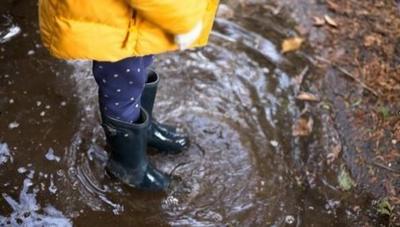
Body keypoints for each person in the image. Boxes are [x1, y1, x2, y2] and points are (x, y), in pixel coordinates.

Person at [38, 0, 219, 191]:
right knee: (123, 85)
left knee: (140, 65)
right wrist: (182, 20)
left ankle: (143, 131)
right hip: (113, 21)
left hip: (132, 20)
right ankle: (127, 166)